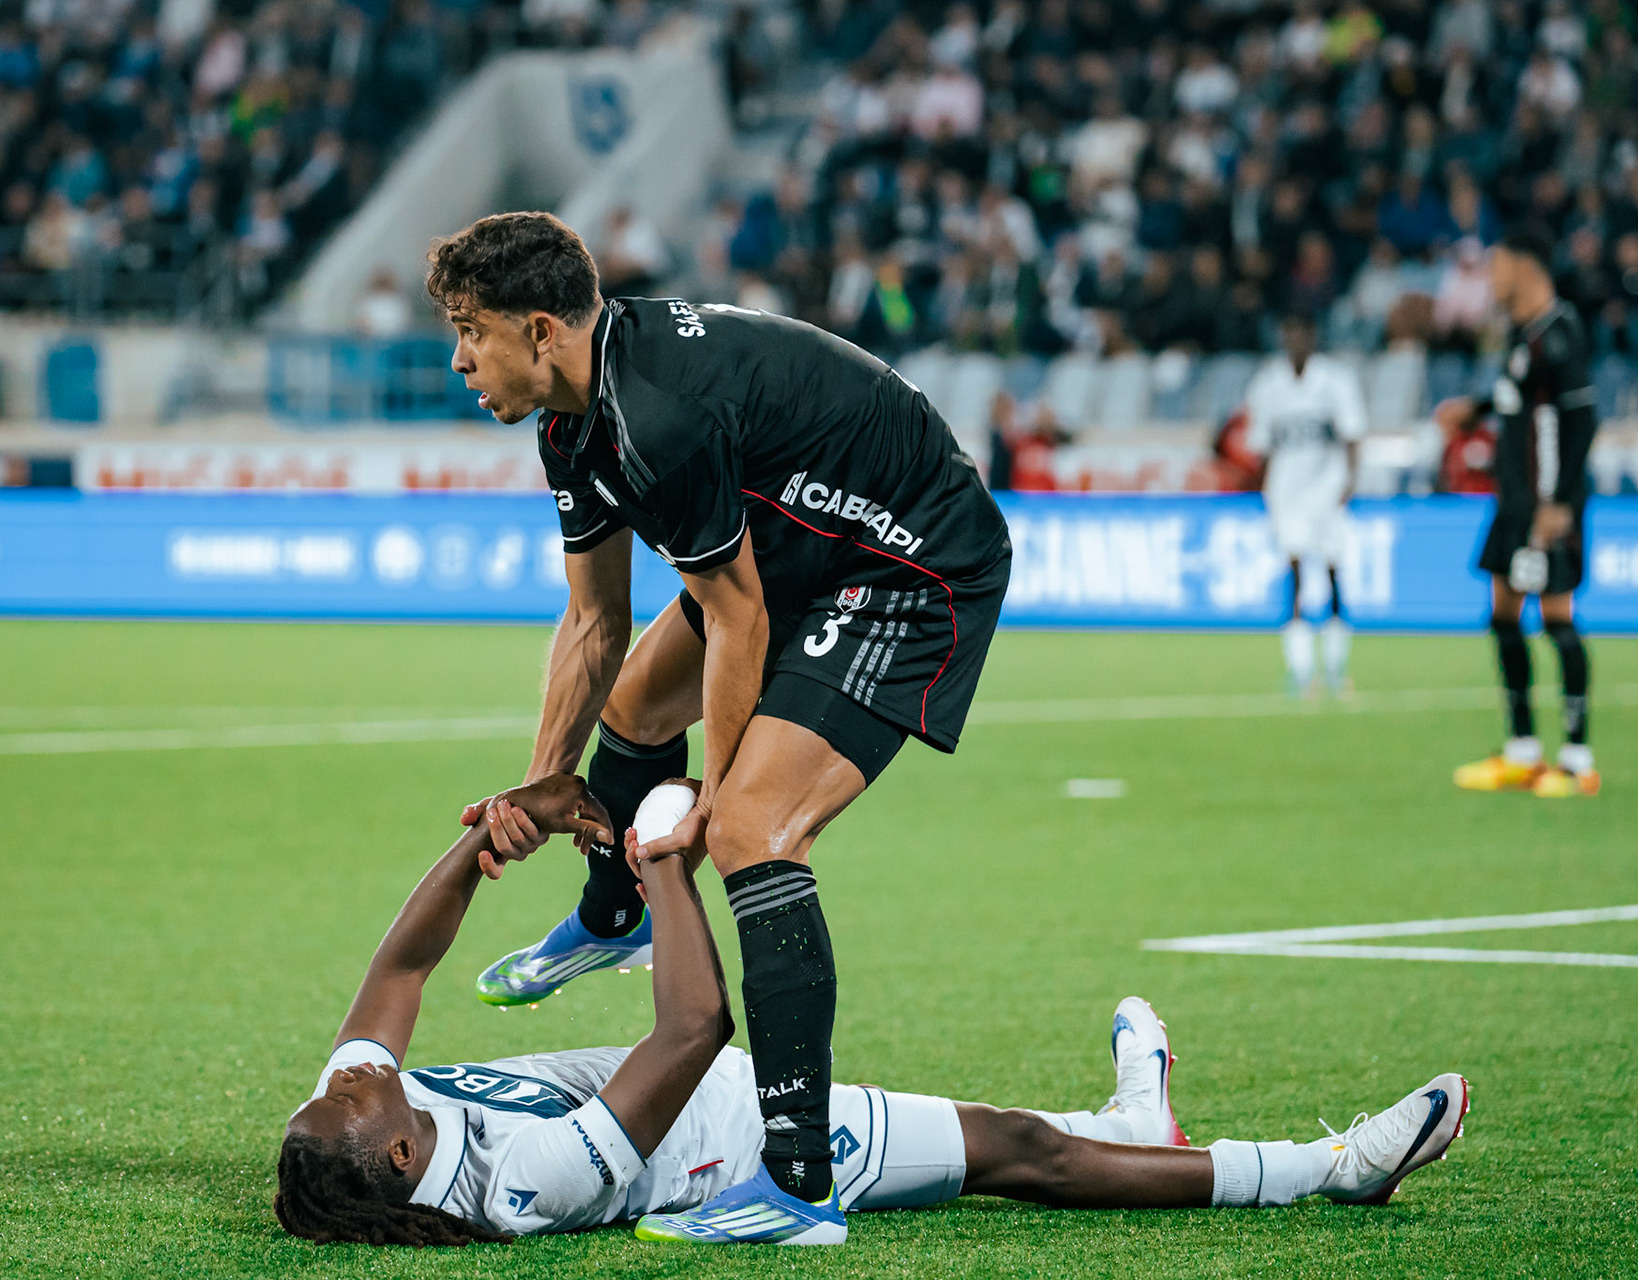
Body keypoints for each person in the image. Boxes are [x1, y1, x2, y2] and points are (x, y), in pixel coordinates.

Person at [424, 211, 1013, 1242]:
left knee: (752, 828)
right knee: (636, 706)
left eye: (472, 330)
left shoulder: (657, 411)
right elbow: (595, 619)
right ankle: (616, 917)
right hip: (800, 549)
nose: (460, 357)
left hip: (909, 561)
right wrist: (547, 781)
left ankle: (798, 1184)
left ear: (542, 329)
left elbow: (737, 617)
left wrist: (715, 799)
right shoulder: (571, 420)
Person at [273, 775, 1471, 1248]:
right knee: (1025, 1157)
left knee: (1018, 1133)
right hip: (729, 1142)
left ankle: (1140, 1123)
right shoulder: (523, 1181)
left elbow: (398, 974)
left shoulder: (362, 1133)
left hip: (706, 1096)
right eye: (349, 1089)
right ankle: (1325, 1168)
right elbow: (691, 1033)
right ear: (391, 1147)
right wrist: (664, 870)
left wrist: (481, 841)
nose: (345, 1069)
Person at [1440, 224, 1601, 798]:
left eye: (1498, 266)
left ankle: (1578, 760)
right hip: (1513, 505)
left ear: (1526, 269)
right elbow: (1519, 401)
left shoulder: (1560, 335)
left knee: (1556, 619)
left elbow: (1581, 421)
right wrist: (1473, 409)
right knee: (1504, 618)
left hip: (1547, 507)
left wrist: (1559, 505)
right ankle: (1524, 751)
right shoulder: (1521, 335)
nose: (1491, 278)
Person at [1243, 312, 1368, 697]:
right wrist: (1264, 488)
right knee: (1295, 573)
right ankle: (1301, 670)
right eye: (1289, 333)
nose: (1296, 341)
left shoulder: (1335, 381)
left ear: (1313, 337)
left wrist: (1349, 479)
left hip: (1328, 490)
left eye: (1302, 333)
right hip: (1287, 493)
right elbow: (1260, 445)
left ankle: (1335, 666)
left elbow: (1352, 434)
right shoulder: (1267, 384)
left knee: (1333, 573)